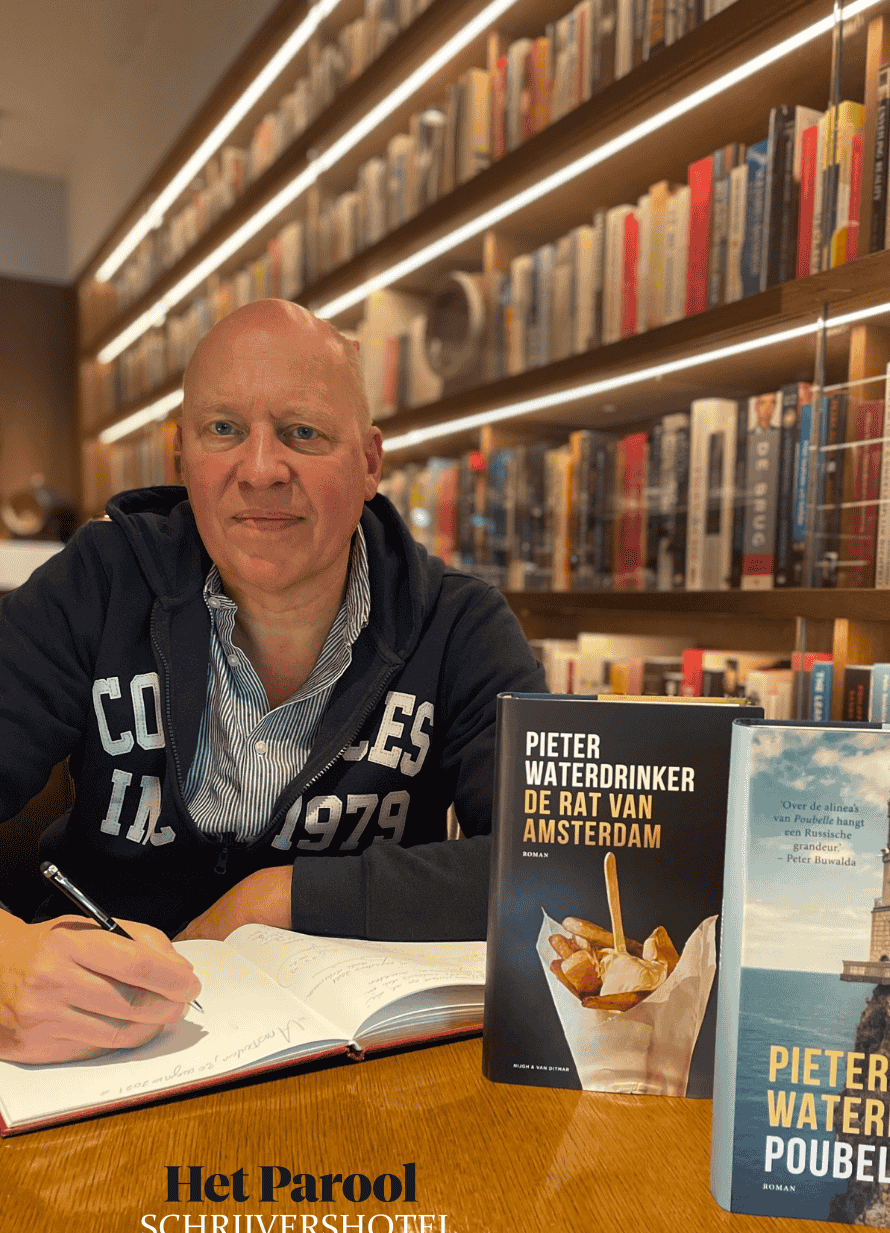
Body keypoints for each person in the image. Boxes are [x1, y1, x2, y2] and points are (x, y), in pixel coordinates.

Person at [0, 299, 545, 1063]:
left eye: (303, 432)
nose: (260, 470)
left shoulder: (461, 627)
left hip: (359, 1065)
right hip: (100, 1051)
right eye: (224, 430)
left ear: (369, 463)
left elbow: (554, 855)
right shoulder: (97, 584)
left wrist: (280, 896)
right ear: (181, 452)